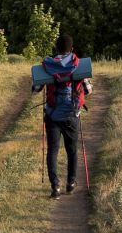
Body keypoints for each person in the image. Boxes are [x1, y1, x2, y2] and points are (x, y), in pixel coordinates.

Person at [34, 34, 90, 198]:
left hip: (52, 114)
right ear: (71, 49)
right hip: (72, 114)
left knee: (52, 150)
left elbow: (36, 88)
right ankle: (71, 183)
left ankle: (55, 187)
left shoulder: (47, 66)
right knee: (71, 150)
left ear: (56, 49)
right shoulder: (78, 65)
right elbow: (88, 90)